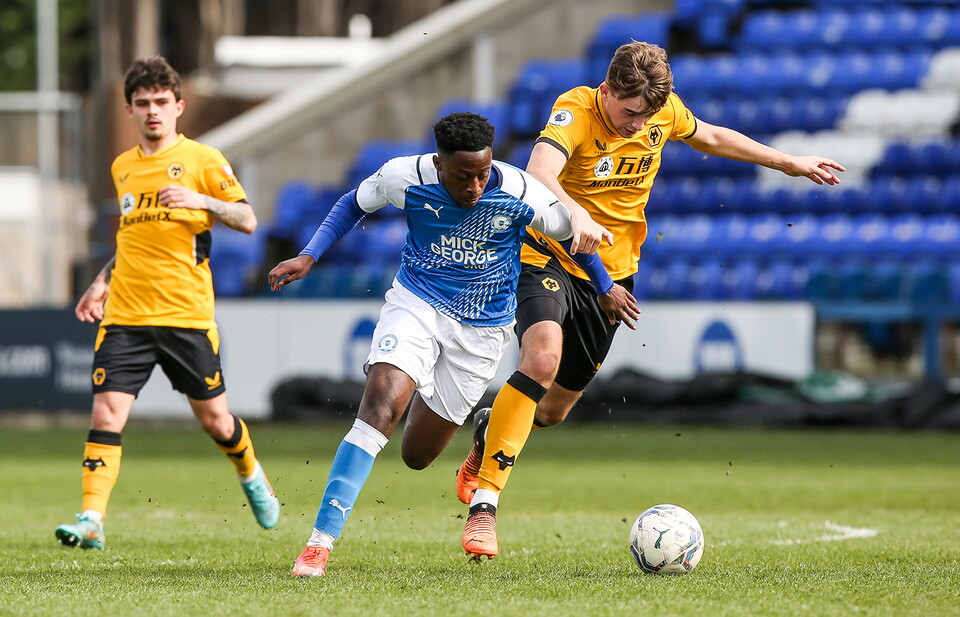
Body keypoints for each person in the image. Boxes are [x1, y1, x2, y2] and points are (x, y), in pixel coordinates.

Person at [456, 41, 846, 559]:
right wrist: (574, 214)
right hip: (545, 257)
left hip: (614, 277)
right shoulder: (576, 109)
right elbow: (540, 172)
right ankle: (485, 507)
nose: (638, 125)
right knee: (541, 357)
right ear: (607, 90)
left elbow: (708, 135)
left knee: (550, 411)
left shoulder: (660, 111)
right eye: (629, 113)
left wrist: (787, 162)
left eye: (647, 117)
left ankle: (489, 427)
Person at [267, 112, 638, 577]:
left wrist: (604, 285)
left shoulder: (521, 192)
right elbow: (353, 203)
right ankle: (318, 545)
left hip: (483, 329)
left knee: (417, 455)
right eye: (465, 176)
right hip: (417, 303)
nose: (477, 186)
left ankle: (484, 433)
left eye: (483, 173)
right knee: (380, 406)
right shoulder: (405, 176)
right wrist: (310, 254)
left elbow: (575, 236)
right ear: (439, 163)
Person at [54, 56, 279, 550]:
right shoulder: (122, 167)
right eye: (142, 104)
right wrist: (102, 280)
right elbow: (135, 238)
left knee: (217, 421)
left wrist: (205, 203)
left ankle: (249, 469)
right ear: (131, 110)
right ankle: (92, 518)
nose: (152, 111)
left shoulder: (203, 160)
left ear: (178, 106)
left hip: (186, 315)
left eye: (161, 102)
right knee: (105, 415)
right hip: (125, 316)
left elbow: (247, 219)